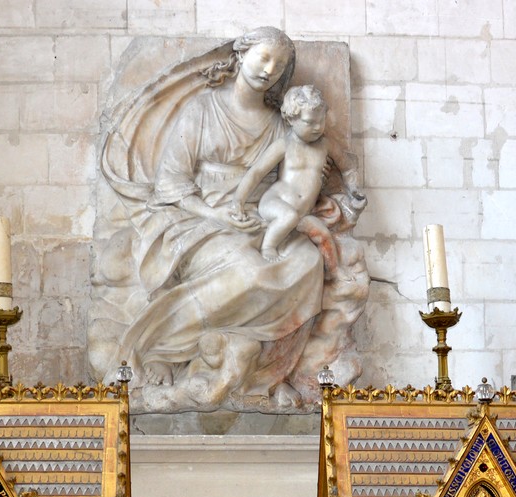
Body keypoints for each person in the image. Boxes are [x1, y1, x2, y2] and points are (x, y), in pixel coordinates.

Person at [93, 28, 368, 412]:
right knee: (249, 270)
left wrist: (316, 187)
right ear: (241, 54)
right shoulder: (202, 109)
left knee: (307, 263)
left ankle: (266, 376)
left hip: (259, 220)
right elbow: (171, 183)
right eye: (263, 57)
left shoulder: (279, 125)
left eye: (279, 66)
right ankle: (161, 347)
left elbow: (286, 182)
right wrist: (216, 212)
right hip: (198, 221)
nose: (268, 70)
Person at [230, 84, 332, 262]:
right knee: (288, 216)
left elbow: (348, 165)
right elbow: (257, 172)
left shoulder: (325, 145)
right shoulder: (284, 145)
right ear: (291, 119)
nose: (317, 127)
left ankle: (336, 276)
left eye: (321, 121)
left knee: (324, 237)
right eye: (310, 122)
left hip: (304, 213)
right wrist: (238, 200)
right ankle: (268, 247)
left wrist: (353, 185)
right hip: (275, 203)